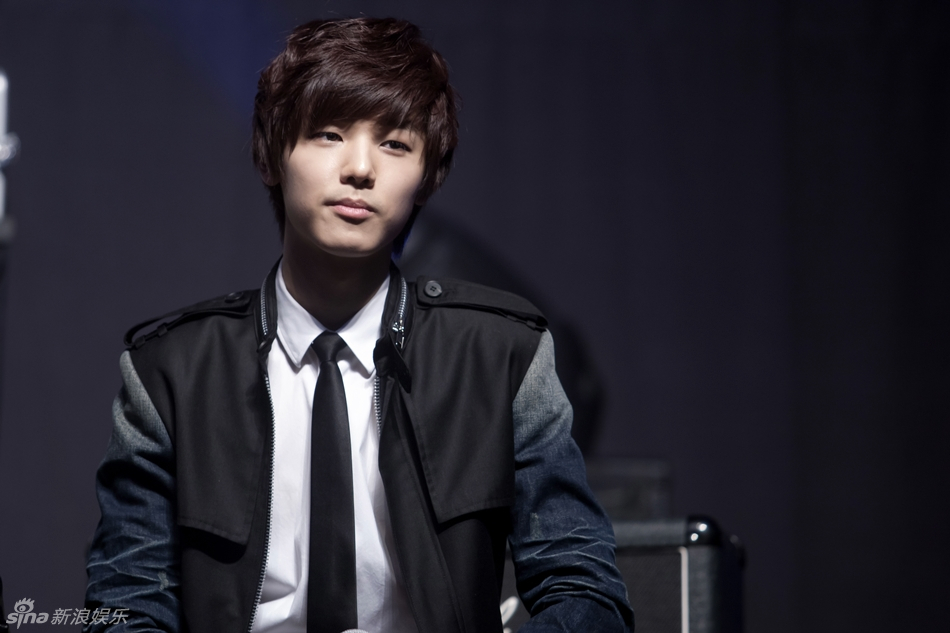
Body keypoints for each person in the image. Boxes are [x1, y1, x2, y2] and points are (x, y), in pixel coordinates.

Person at [84, 17, 633, 633]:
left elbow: (584, 590)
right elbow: (125, 605)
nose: (361, 168)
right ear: (271, 155)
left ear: (427, 177)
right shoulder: (171, 373)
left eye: (395, 144)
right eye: (329, 134)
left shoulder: (502, 356)